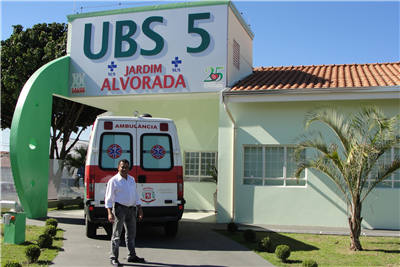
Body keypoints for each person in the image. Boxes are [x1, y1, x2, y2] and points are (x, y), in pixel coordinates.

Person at [105, 159, 145, 266]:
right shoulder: (113, 181)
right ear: (118, 168)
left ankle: (131, 255)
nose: (124, 169)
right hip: (119, 210)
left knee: (131, 234)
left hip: (131, 210)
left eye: (126, 167)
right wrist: (109, 212)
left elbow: (135, 195)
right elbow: (108, 198)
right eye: (122, 167)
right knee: (116, 235)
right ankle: (113, 258)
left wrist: (140, 209)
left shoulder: (131, 180)